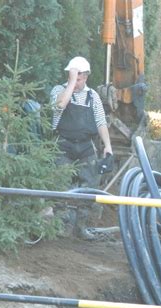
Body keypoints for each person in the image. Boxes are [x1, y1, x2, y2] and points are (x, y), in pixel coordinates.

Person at [51, 56, 113, 240]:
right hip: (63, 144)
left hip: (85, 146)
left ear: (86, 77)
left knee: (89, 186)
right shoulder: (59, 91)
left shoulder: (92, 96)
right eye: (73, 78)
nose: (76, 82)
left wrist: (107, 146)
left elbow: (101, 122)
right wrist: (71, 83)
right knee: (61, 186)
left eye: (79, 79)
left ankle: (81, 227)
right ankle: (61, 225)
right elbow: (60, 105)